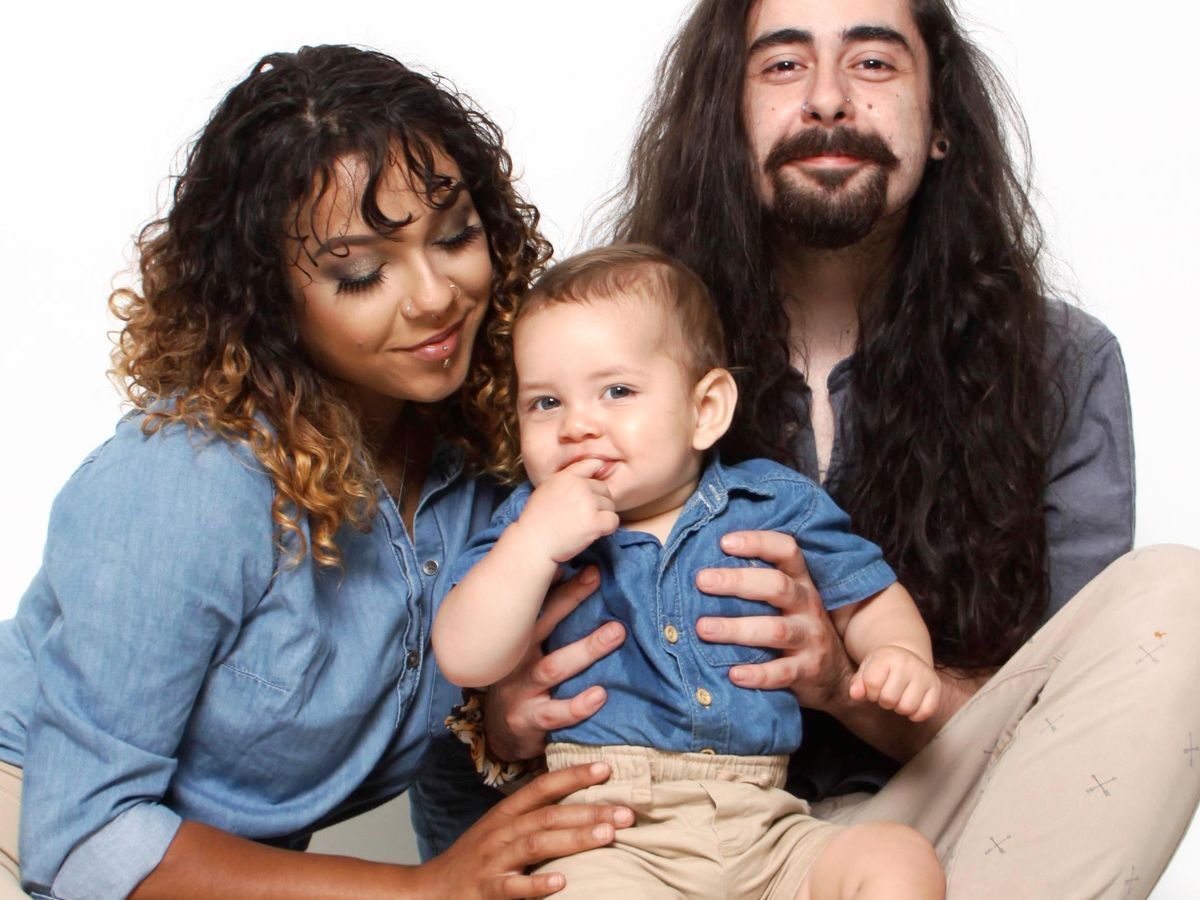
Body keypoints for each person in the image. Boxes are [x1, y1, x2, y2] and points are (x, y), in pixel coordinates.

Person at [0, 44, 652, 899]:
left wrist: (497, 746)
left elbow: (453, 769)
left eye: (455, 235)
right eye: (361, 272)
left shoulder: (493, 458)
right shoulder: (186, 482)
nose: (434, 295)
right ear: (267, 298)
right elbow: (80, 843)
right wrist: (422, 891)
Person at [588, 0, 1200, 895]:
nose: (828, 99)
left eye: (874, 62)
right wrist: (501, 732)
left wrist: (848, 681)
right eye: (783, 65)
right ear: (725, 118)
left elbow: (1063, 714)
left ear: (941, 119)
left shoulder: (1061, 364)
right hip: (662, 847)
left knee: (1180, 597)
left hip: (950, 839)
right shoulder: (598, 357)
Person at [433, 244, 946, 898]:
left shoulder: (773, 501)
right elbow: (465, 656)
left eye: (616, 391)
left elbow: (866, 596)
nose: (577, 425)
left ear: (705, 410)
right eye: (545, 403)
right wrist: (532, 545)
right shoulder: (526, 526)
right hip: (609, 831)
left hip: (767, 821)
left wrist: (898, 654)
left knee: (896, 858)